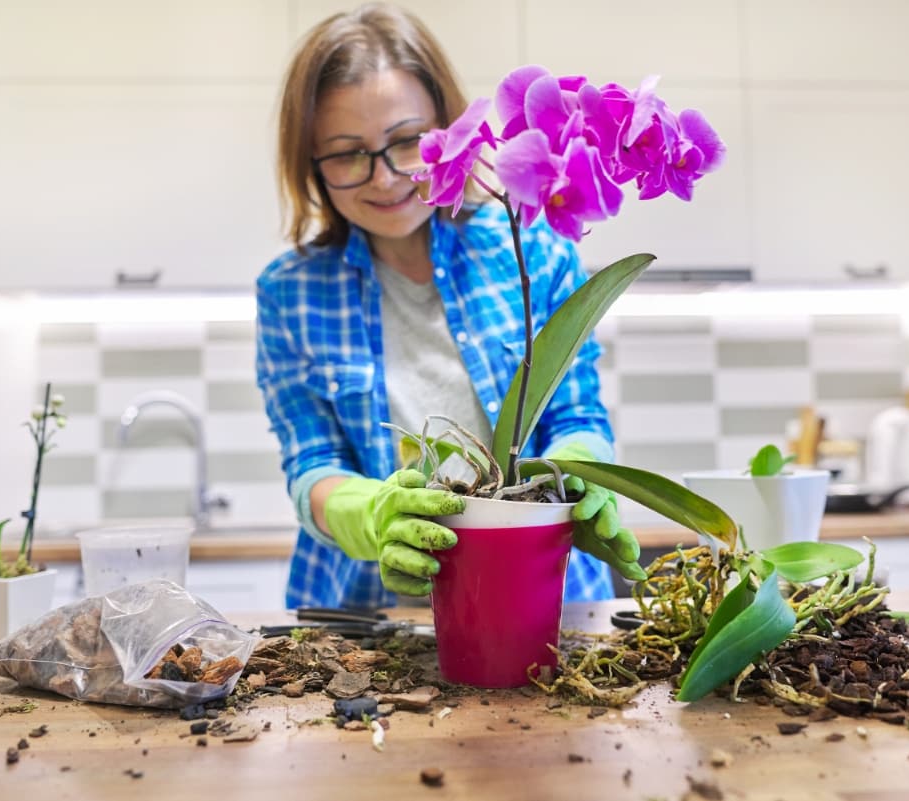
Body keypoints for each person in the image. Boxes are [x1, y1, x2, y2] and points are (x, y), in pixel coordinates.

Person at [256, 3, 646, 609]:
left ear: (452, 126)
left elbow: (576, 416)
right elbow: (313, 465)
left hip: (547, 603)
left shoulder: (535, 248)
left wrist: (579, 478)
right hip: (367, 627)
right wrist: (371, 515)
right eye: (346, 153)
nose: (384, 178)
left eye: (407, 141)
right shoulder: (292, 291)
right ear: (308, 161)